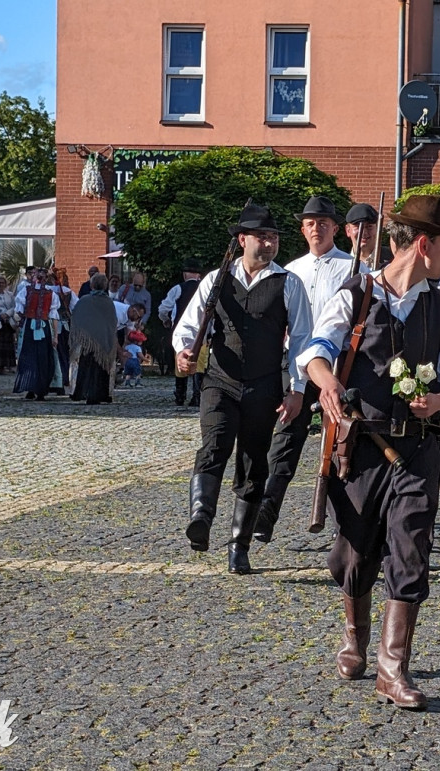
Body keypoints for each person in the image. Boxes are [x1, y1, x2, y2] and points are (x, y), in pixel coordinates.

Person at [299, 194, 440, 710]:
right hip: (360, 447)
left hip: (420, 446)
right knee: (354, 553)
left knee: (411, 543)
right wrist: (328, 384)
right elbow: (315, 350)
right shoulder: (356, 292)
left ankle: (392, 667)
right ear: (423, 245)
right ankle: (354, 634)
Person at [173, 203, 313, 575]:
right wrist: (184, 351)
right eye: (262, 237)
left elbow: (302, 341)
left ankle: (239, 546)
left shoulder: (289, 283)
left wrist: (296, 389)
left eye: (273, 238)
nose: (269, 244)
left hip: (264, 385)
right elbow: (189, 325)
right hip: (220, 380)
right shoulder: (216, 279)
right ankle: (201, 518)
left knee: (253, 463)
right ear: (242, 240)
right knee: (214, 443)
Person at [254, 195, 365, 543]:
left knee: (342, 447)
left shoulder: (353, 269)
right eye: (310, 223)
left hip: (338, 371)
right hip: (300, 371)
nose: (316, 229)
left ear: (335, 228)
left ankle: (346, 523)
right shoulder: (290, 272)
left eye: (323, 223)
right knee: (285, 443)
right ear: (302, 230)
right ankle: (265, 514)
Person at [158, 260, 204, 406]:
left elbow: (163, 309)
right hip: (202, 332)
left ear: (185, 275)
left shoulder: (178, 289)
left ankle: (180, 395)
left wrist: (166, 321)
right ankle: (197, 396)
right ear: (199, 276)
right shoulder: (204, 288)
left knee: (181, 362)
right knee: (200, 364)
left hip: (181, 331)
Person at [70, 273, 119, 405]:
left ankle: (84, 392)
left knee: (87, 367)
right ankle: (101, 394)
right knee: (101, 367)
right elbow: (113, 322)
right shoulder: (108, 302)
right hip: (104, 340)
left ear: (91, 285)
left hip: (87, 343)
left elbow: (76, 318)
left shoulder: (84, 300)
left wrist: (82, 336)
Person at [13, 266, 60, 401]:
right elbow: (54, 317)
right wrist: (55, 335)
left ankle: (31, 388)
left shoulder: (25, 291)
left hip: (30, 327)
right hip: (44, 328)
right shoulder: (51, 294)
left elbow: (18, 312)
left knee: (30, 357)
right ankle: (40, 389)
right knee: (43, 358)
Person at [48, 269, 78, 395]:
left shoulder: (47, 290)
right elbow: (76, 307)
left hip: (49, 324)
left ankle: (55, 380)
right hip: (65, 326)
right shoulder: (68, 292)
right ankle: (64, 378)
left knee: (55, 354)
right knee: (64, 353)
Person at [345, 203, 393, 268]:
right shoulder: (341, 262)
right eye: (358, 227)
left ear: (378, 229)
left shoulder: (393, 259)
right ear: (348, 230)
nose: (364, 232)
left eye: (369, 226)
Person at [0, 275, 18, 374]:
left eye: (2, 283)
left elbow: (14, 306)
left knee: (7, 345)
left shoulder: (10, 295)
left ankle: (5, 366)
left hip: (7, 322)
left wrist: (7, 314)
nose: (1, 284)